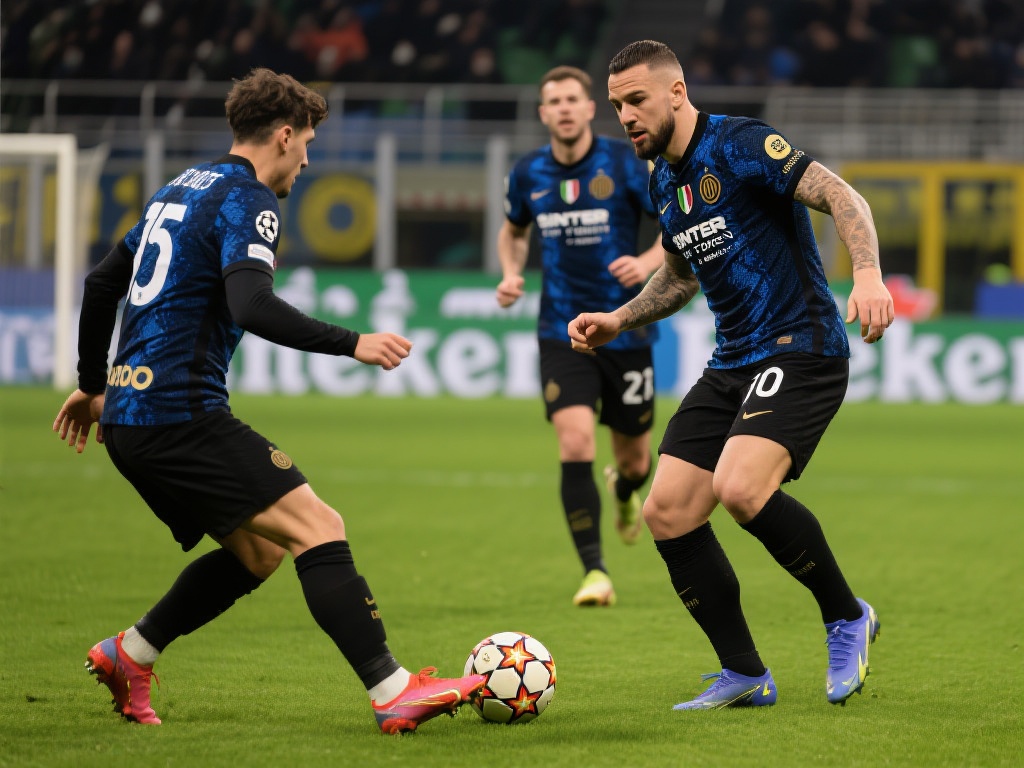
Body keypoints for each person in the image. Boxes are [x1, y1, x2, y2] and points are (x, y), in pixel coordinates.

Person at [52, 67, 485, 734]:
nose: (307, 161)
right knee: (320, 526)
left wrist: (93, 386)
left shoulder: (179, 188)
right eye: (306, 143)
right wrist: (354, 342)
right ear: (283, 135)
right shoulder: (248, 198)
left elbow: (100, 283)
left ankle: (130, 653)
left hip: (135, 421)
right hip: (179, 414)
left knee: (259, 553)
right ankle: (392, 691)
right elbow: (251, 305)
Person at [568, 40, 893, 708]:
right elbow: (680, 276)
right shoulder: (664, 179)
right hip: (733, 361)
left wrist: (867, 275)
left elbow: (841, 195)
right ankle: (744, 673)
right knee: (665, 511)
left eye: (637, 100)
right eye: (617, 105)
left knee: (741, 488)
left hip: (800, 348)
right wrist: (619, 319)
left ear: (677, 92)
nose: (625, 117)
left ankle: (847, 615)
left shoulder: (741, 144)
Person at [495, 65, 667, 607]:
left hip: (626, 328)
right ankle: (595, 571)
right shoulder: (528, 172)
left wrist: (645, 263)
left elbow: (674, 224)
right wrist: (511, 271)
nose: (565, 109)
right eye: (555, 101)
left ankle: (624, 489)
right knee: (575, 442)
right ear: (543, 113)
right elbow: (513, 229)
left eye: (573, 99)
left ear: (590, 108)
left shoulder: (625, 162)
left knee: (636, 462)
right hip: (561, 330)